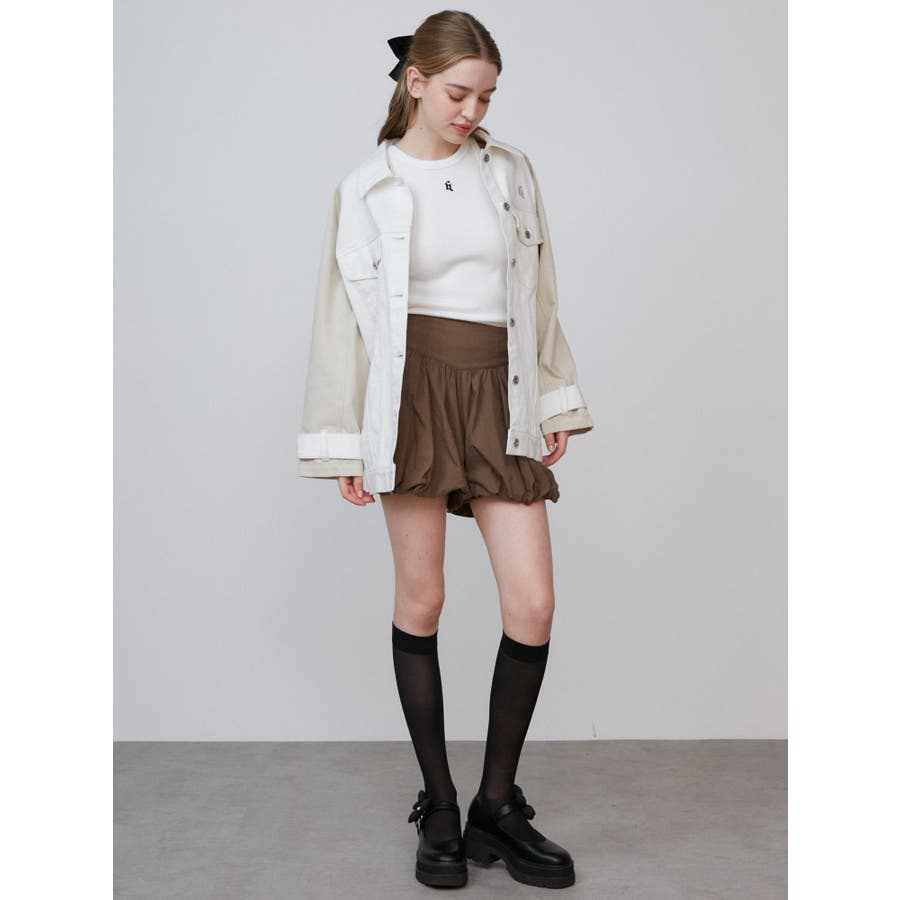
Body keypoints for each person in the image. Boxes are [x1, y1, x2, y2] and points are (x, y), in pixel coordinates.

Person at [296, 11, 593, 890]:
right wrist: (344, 441)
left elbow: (540, 294)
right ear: (416, 83)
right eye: (459, 93)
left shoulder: (511, 173)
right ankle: (439, 804)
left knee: (532, 605)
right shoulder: (367, 188)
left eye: (487, 97)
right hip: (411, 395)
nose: (472, 112)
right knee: (422, 597)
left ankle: (497, 807)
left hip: (500, 389)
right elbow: (340, 324)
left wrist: (554, 394)